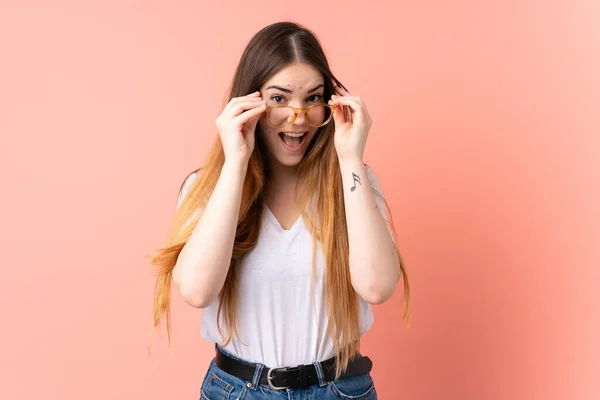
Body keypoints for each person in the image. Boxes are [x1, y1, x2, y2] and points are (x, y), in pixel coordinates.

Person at [150, 21, 410, 399]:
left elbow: (377, 286)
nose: (298, 117)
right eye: (278, 99)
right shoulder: (207, 188)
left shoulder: (355, 184)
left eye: (312, 98)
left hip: (338, 389)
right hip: (239, 390)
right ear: (248, 102)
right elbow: (196, 290)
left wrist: (351, 158)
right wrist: (236, 163)